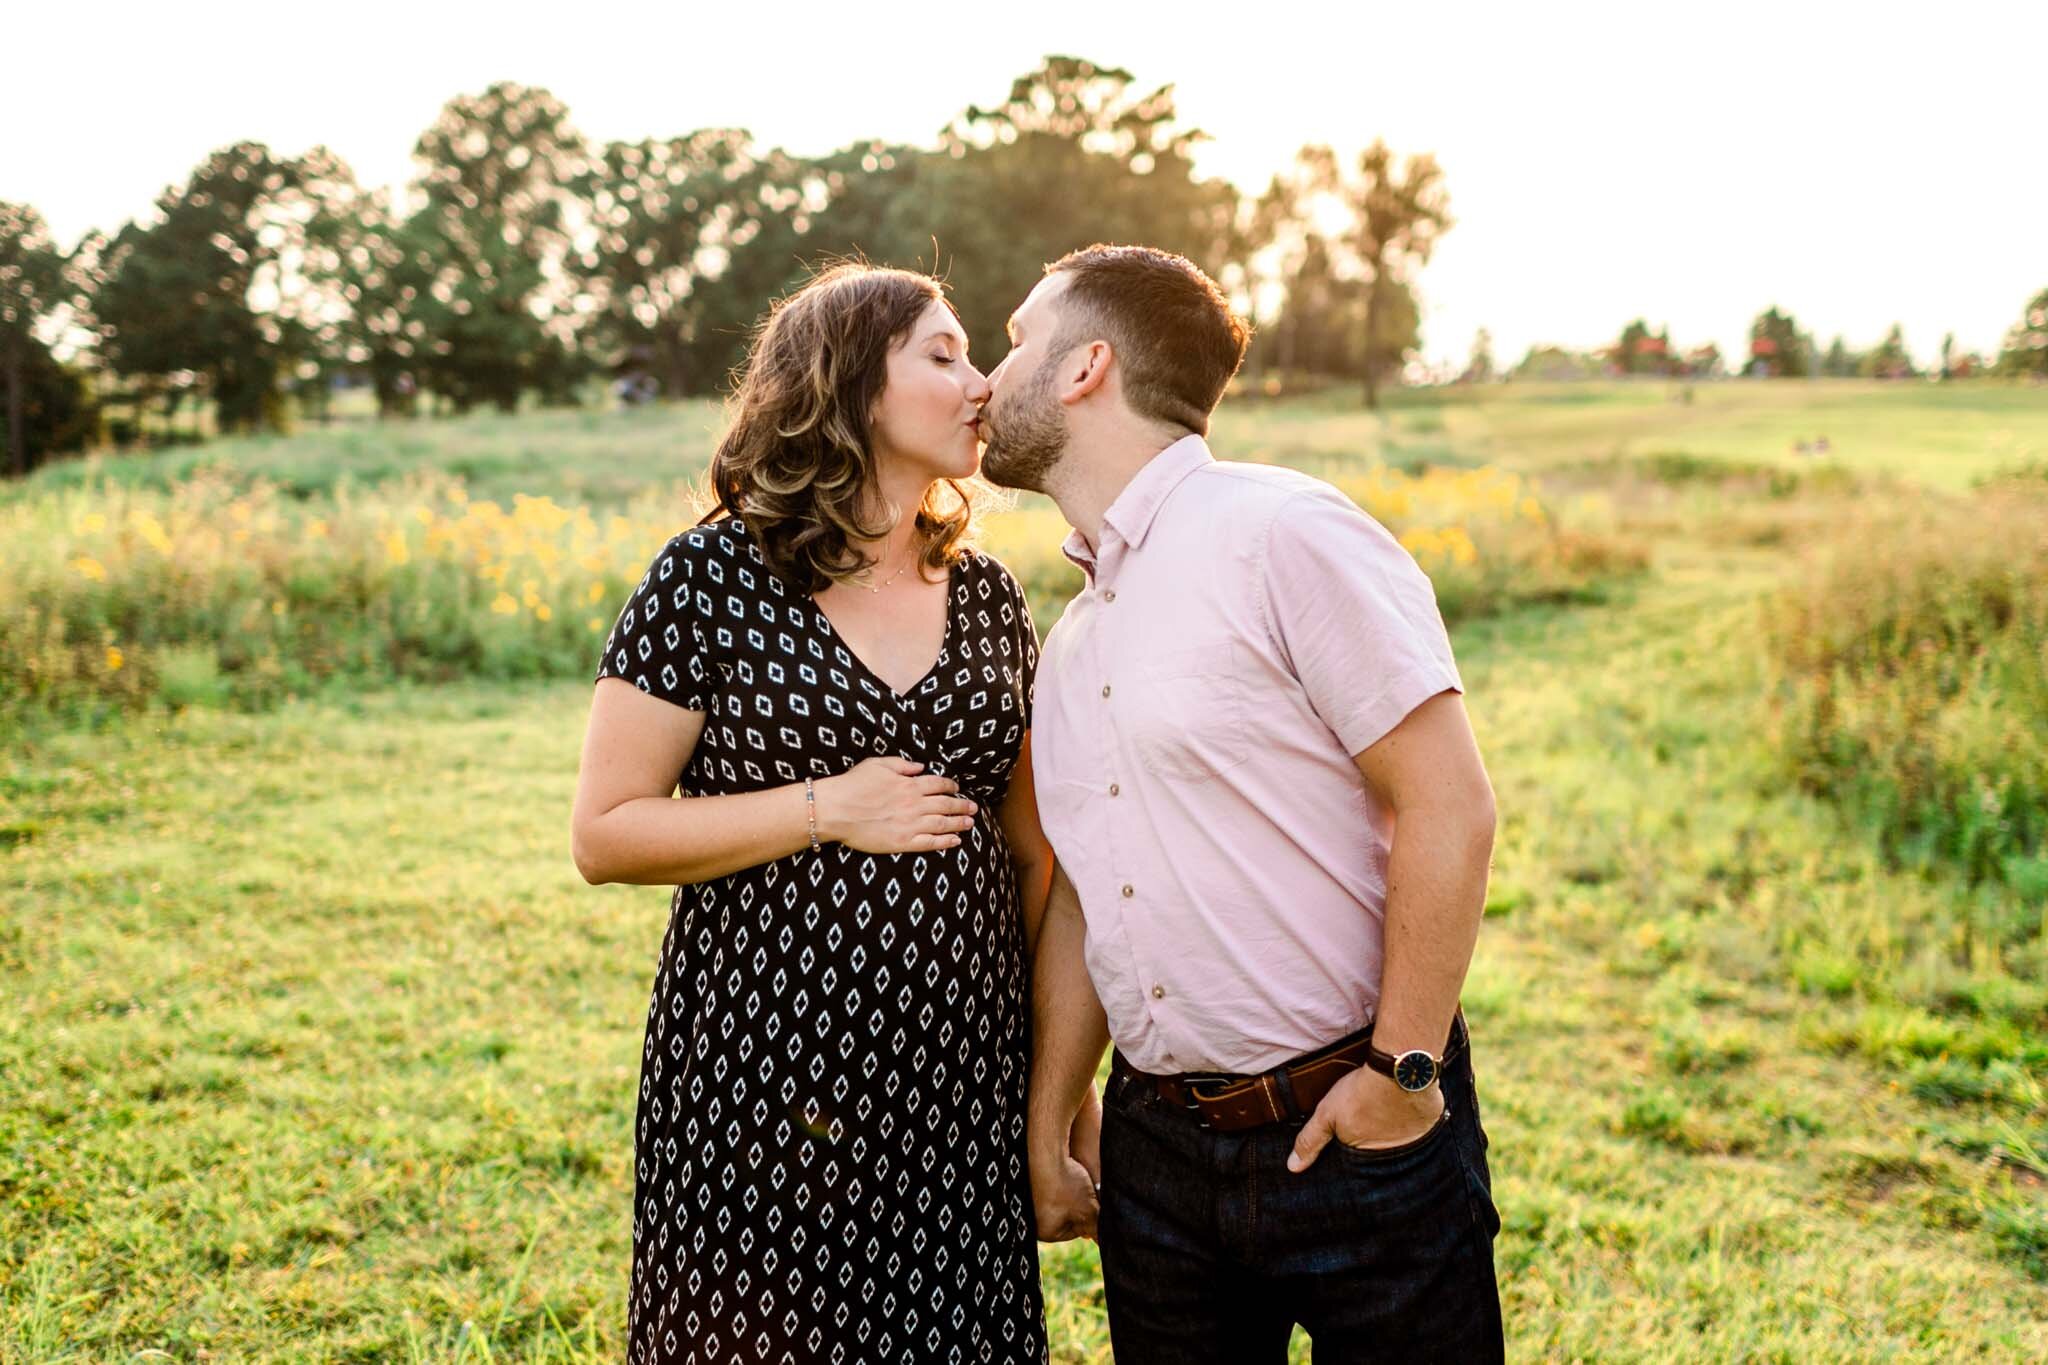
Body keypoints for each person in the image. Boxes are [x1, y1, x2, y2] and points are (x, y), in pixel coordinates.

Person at [983, 244, 1504, 1361]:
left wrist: (1402, 1078)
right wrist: (1046, 1122)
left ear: (1085, 366)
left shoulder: (1281, 532)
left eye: (1015, 338)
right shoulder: (1072, 640)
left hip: (1358, 1132)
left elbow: (1448, 805)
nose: (989, 376)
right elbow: (1081, 893)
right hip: (1156, 1161)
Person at [570, 263, 1054, 1363]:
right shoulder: (708, 578)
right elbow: (605, 833)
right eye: (942, 354)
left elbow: (1034, 852)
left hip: (957, 1073)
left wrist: (1045, 1083)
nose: (979, 384)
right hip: (760, 1071)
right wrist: (826, 808)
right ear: (848, 384)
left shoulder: (987, 593)